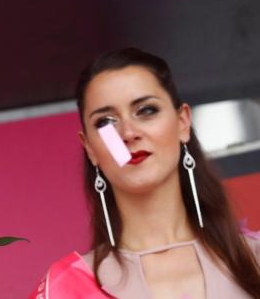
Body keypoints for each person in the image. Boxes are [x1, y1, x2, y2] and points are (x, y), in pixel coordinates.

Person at [32, 48, 260, 298]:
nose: (128, 133)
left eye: (146, 110)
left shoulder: (254, 261)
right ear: (89, 148)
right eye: (106, 123)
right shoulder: (65, 287)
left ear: (183, 122)